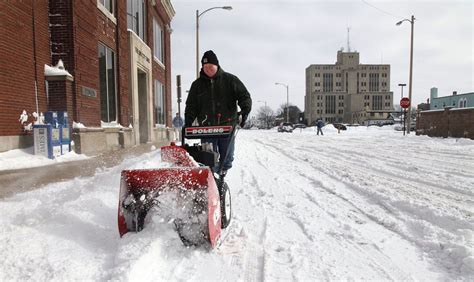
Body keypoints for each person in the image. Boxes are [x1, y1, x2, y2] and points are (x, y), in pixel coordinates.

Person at [185, 50, 252, 174]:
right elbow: (191, 106)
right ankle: (211, 178)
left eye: (210, 66)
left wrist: (244, 111)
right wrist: (188, 121)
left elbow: (244, 96)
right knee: (207, 158)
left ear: (217, 66)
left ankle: (221, 175)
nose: (207, 69)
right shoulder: (197, 85)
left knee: (227, 158)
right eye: (205, 67)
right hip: (207, 129)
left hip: (227, 126)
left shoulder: (230, 80)